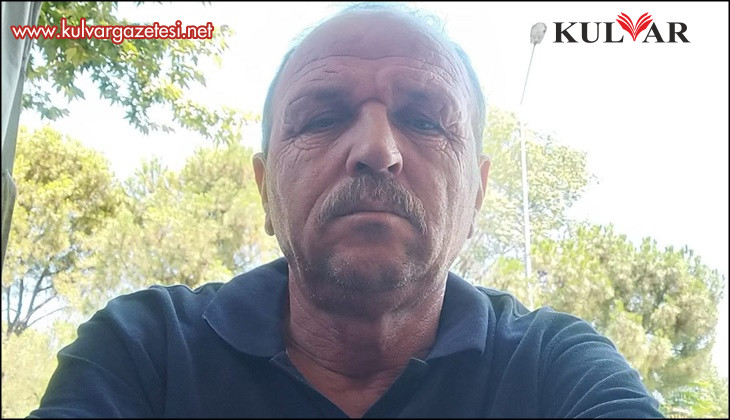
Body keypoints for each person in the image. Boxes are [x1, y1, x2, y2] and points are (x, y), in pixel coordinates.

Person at [30, 4, 663, 418]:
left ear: (476, 193)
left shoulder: (555, 365)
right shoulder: (146, 347)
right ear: (265, 190)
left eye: (424, 120)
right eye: (320, 118)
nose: (377, 150)